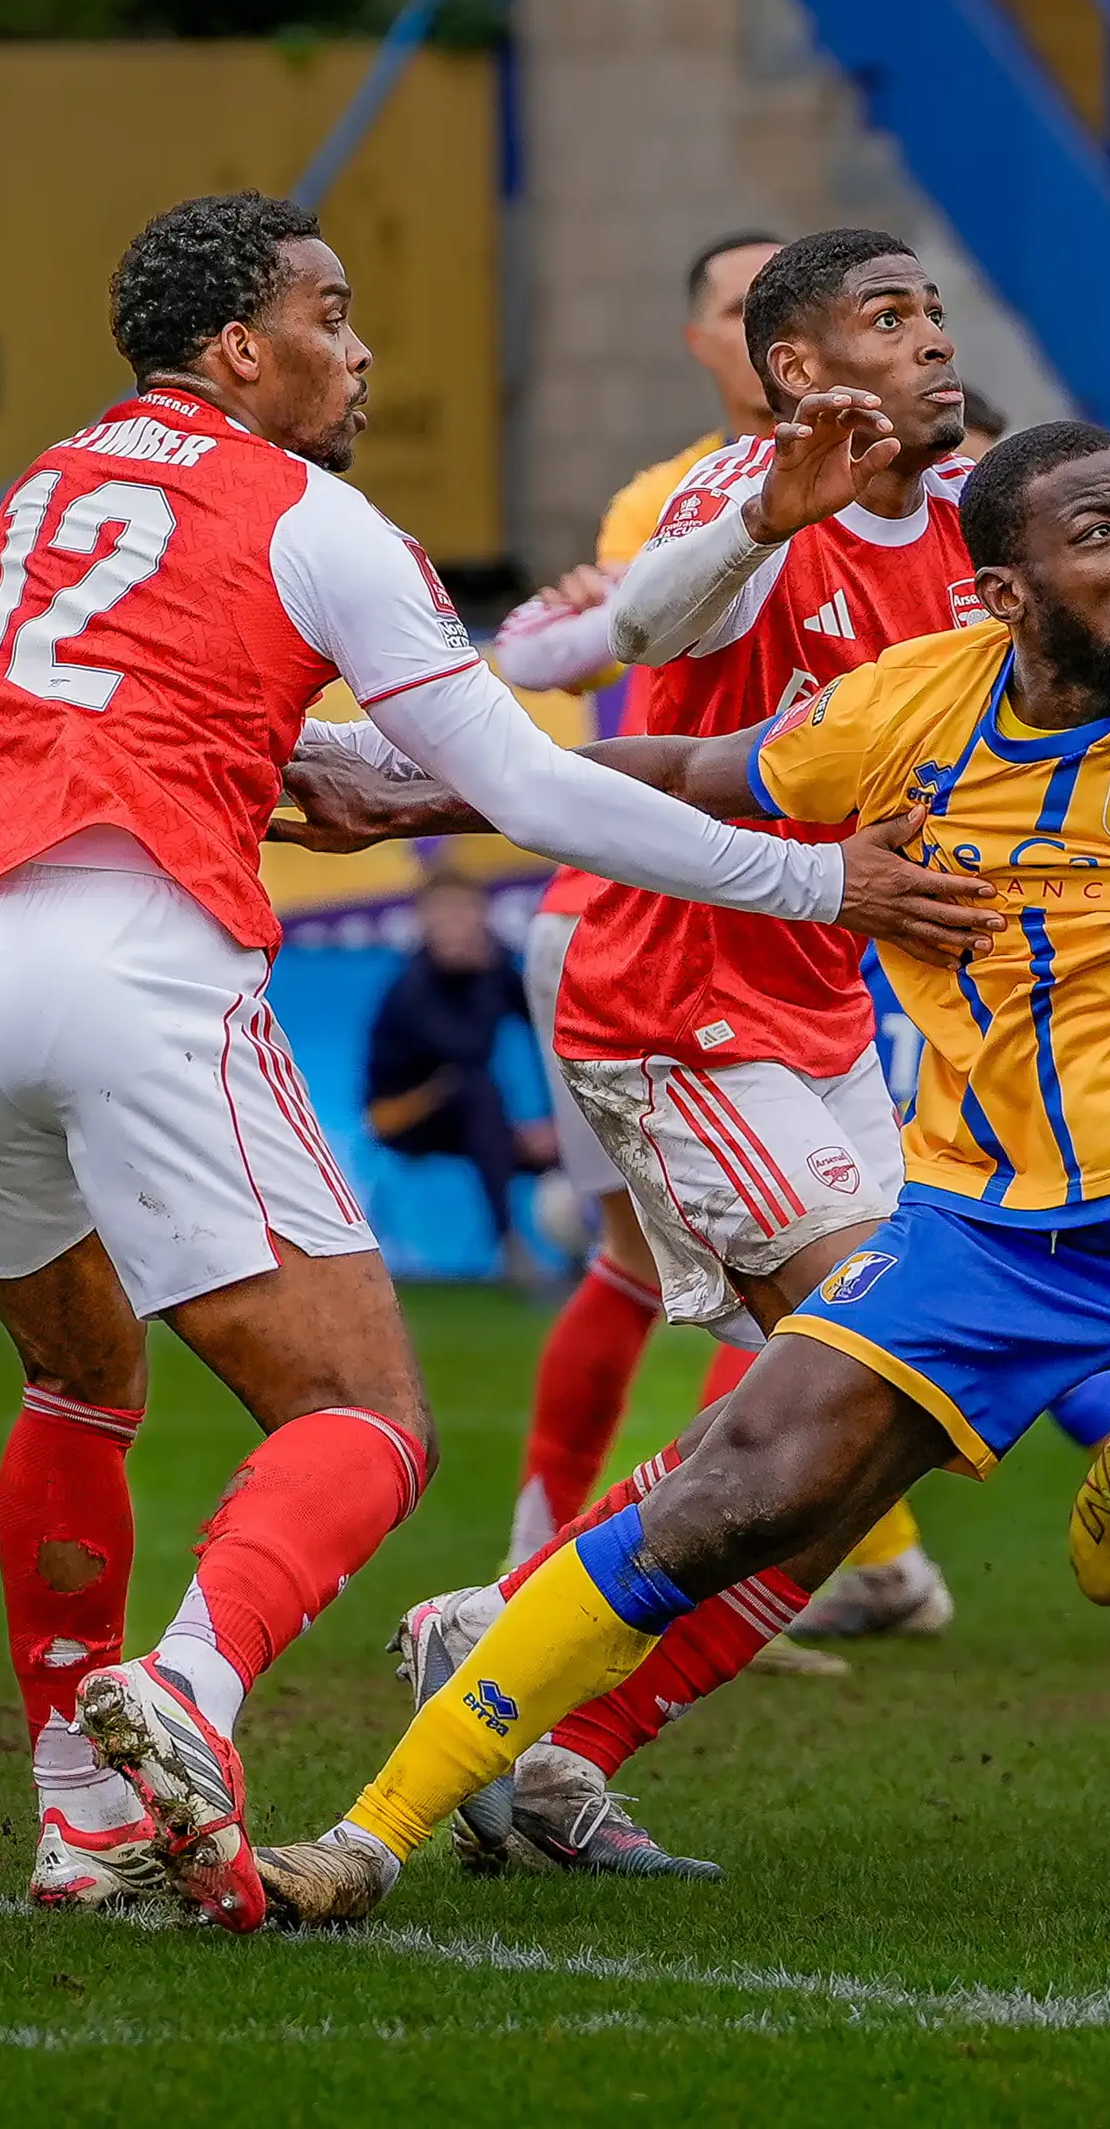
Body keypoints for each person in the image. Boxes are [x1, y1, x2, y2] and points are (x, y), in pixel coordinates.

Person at [252, 422, 1110, 1919]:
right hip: (983, 1236)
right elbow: (687, 769)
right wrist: (412, 791)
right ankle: (366, 1840)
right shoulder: (908, 711)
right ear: (1005, 596)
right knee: (729, 1502)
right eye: (1103, 532)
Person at [0, 193, 993, 1927]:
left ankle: (80, 1812)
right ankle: (191, 1687)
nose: (363, 346)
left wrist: (316, 757)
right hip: (158, 961)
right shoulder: (315, 516)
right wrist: (817, 876)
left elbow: (124, 704)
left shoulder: (47, 487)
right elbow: (554, 769)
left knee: (80, 1385)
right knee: (362, 1420)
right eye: (332, 312)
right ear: (243, 346)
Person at [485, 232, 795, 1594]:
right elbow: (603, 644)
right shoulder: (674, 499)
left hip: (803, 931)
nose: (774, 329)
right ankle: (567, 1580)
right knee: (842, 1297)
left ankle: (560, 1578)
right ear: (706, 342)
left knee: (812, 1283)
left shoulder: (919, 496)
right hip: (665, 920)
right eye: (742, 305)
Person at [360, 874, 554, 1278]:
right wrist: (483, 976)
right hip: (399, 1119)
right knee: (477, 1089)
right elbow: (463, 1050)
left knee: (571, 1134)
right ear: (424, 923)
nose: (457, 924)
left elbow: (548, 1032)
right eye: (444, 914)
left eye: (465, 912)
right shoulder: (412, 986)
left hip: (471, 1120)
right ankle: (510, 1248)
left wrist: (554, 1123)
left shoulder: (497, 968)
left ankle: (589, 1256)